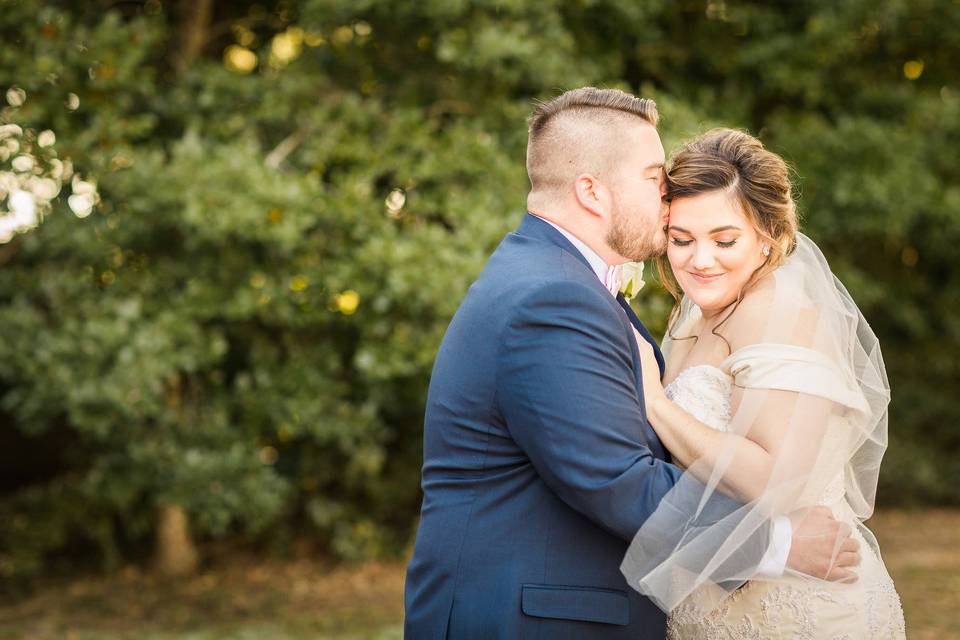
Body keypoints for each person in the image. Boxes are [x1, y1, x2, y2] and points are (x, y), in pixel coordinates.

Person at [404, 88, 858, 640]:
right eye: (652, 178)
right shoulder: (553, 298)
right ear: (592, 192)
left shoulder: (556, 278)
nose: (666, 196)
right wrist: (780, 543)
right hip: (526, 618)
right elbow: (617, 480)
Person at [620, 128, 906, 638]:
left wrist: (655, 403)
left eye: (724, 240)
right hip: (709, 601)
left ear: (768, 235)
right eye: (681, 240)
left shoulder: (785, 317)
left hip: (800, 607)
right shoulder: (694, 315)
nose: (699, 260)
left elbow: (773, 484)